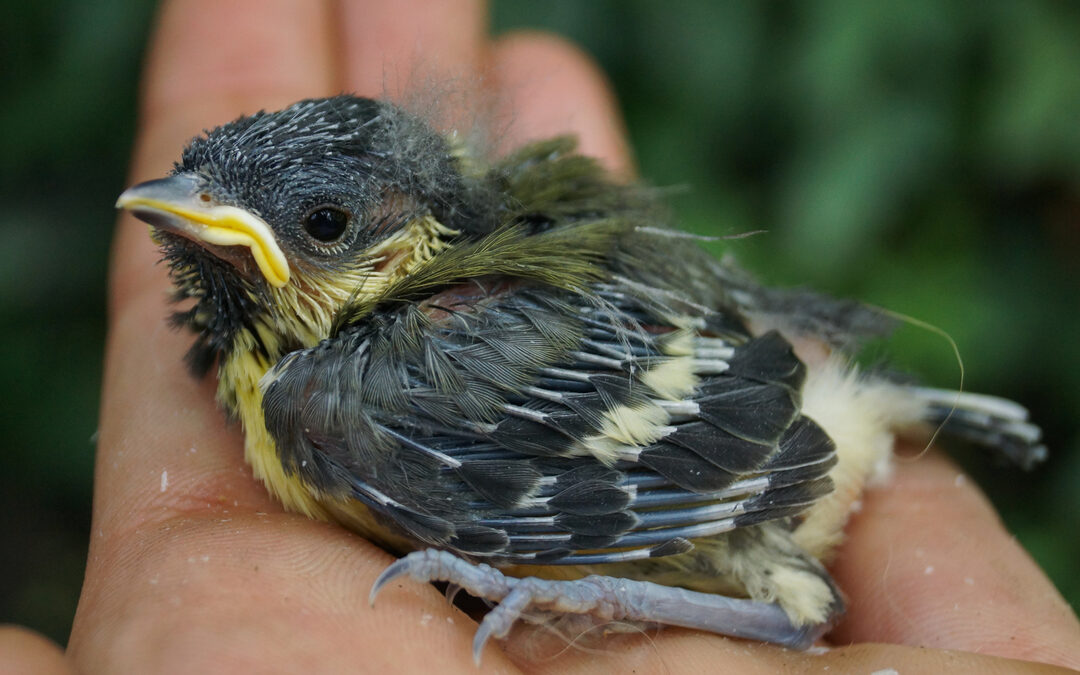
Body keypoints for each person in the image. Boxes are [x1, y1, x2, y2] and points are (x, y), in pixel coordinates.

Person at [4, 1, 1078, 672]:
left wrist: (590, 588)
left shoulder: (354, 397)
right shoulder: (291, 363)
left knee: (792, 607)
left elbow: (733, 464)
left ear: (410, 243)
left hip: (764, 443)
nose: (199, 219)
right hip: (725, 376)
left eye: (322, 228)